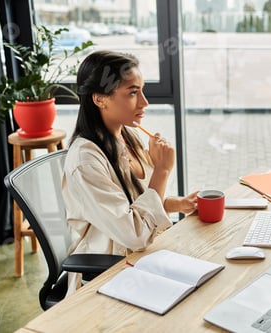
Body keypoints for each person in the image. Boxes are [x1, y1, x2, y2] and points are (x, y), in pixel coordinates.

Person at [62, 50, 197, 292]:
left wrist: (176, 204)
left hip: (141, 257)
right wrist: (162, 172)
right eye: (133, 93)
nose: (145, 102)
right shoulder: (85, 161)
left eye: (142, 90)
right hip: (108, 274)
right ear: (100, 99)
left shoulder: (127, 135)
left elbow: (134, 205)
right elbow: (134, 234)